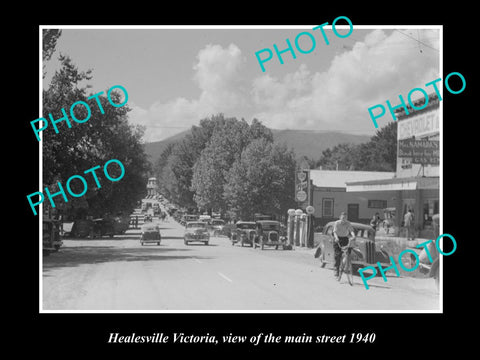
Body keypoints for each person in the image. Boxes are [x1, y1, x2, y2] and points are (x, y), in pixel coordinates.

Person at [333, 212, 356, 277]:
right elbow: (334, 232)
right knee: (338, 254)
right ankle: (336, 269)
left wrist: (353, 236)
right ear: (340, 217)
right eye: (343, 217)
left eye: (345, 218)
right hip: (337, 238)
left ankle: (345, 265)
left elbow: (351, 230)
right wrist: (336, 238)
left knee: (348, 252)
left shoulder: (348, 223)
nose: (344, 219)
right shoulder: (337, 223)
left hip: (345, 238)